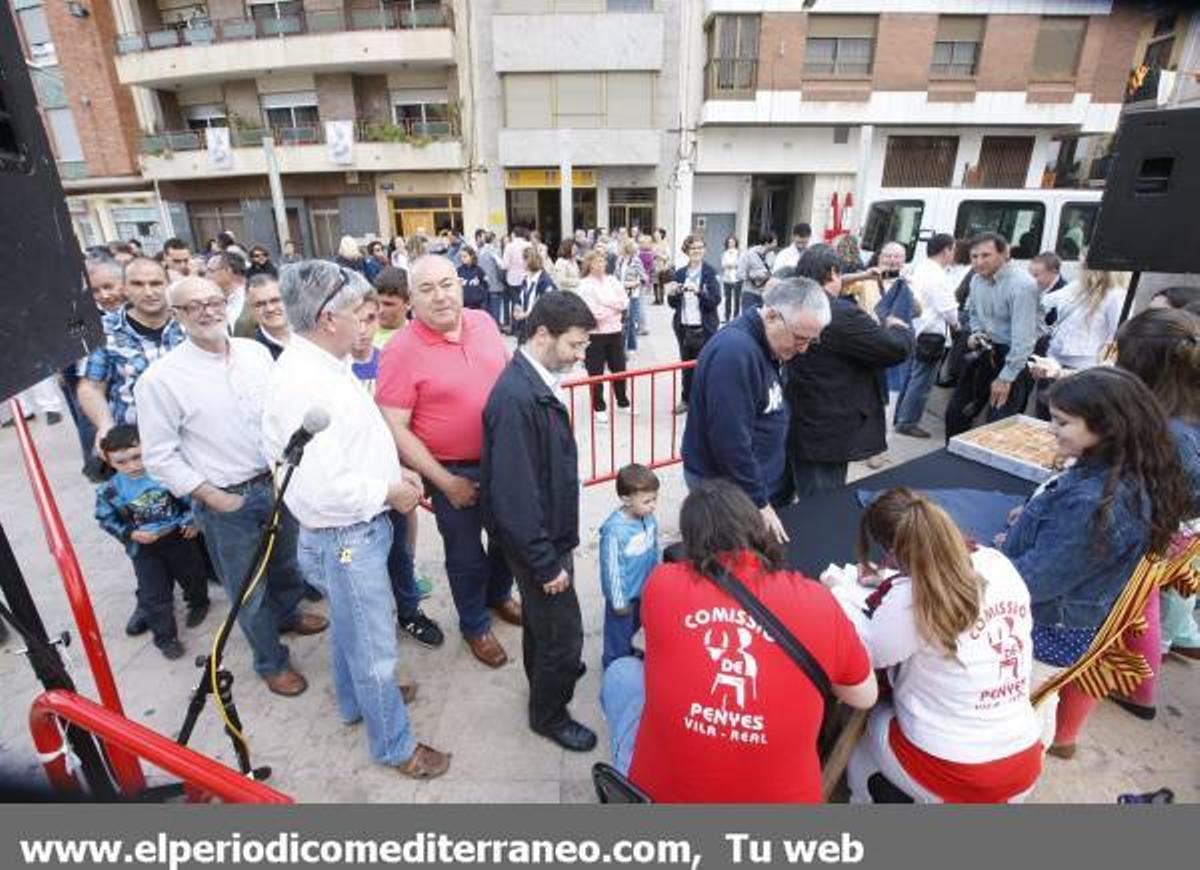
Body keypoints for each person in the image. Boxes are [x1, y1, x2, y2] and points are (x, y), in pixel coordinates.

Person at [263, 261, 450, 778]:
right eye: (360, 315)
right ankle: (394, 743)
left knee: (352, 625)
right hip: (346, 535)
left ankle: (361, 703)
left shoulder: (326, 365)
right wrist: (389, 491)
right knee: (373, 646)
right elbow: (325, 487)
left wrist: (396, 477)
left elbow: (350, 449)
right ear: (328, 318)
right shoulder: (304, 383)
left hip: (357, 524)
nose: (369, 325)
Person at [599, 479, 877, 801]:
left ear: (691, 541)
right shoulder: (816, 601)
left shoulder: (662, 584)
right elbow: (864, 696)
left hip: (664, 802)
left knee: (621, 671)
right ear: (757, 529)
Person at [135, 276, 324, 698]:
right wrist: (212, 496)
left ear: (227, 305)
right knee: (248, 588)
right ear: (177, 315)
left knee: (285, 565)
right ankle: (271, 662)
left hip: (276, 482)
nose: (207, 311)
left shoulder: (256, 353)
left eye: (213, 301)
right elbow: (160, 456)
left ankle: (288, 614)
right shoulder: (160, 380)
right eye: (193, 306)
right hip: (225, 500)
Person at [999, 367, 1192, 758]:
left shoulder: (1096, 504)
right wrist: (1034, 522)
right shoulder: (1120, 474)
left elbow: (1035, 579)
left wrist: (980, 572)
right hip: (1071, 622)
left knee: (1020, 706)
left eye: (1062, 422)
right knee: (1044, 696)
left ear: (1106, 426)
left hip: (1048, 626)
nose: (1052, 430)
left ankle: (1015, 764)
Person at [837, 488, 1042, 803]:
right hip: (1025, 758)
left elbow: (872, 656)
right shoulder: (998, 563)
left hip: (953, 772)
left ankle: (861, 798)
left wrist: (840, 595)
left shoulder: (911, 598)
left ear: (890, 550)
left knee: (867, 720)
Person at [377, 255, 519, 668]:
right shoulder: (401, 349)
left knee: (508, 541)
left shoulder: (485, 322)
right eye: (427, 289)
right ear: (411, 300)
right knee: (465, 555)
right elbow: (395, 426)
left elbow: (510, 380)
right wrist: (444, 480)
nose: (440, 296)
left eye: (447, 284)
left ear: (461, 285)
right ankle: (475, 624)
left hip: (502, 462)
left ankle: (498, 596)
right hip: (451, 469)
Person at [480, 291, 598, 750]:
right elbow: (514, 495)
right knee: (562, 634)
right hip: (538, 542)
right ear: (543, 334)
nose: (580, 355)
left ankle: (547, 677)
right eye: (574, 345)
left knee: (545, 624)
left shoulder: (538, 379)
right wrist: (545, 563)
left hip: (547, 534)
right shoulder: (516, 397)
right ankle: (549, 714)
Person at [681, 277, 831, 545]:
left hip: (750, 485)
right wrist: (759, 502)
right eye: (799, 339)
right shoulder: (735, 352)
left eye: (811, 341)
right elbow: (730, 442)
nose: (804, 349)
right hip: (729, 493)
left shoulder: (768, 344)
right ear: (772, 316)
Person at [1109, 309, 1200, 713]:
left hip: (1156, 533)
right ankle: (1138, 687)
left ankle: (1136, 689)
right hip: (1175, 531)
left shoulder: (1170, 431)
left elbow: (1150, 496)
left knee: (1135, 608)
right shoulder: (1183, 412)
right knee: (1142, 607)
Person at [780, 245, 911, 501]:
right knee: (822, 505)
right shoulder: (840, 314)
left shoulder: (789, 302)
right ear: (832, 272)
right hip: (825, 435)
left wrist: (860, 276)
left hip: (794, 422)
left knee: (783, 500)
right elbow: (894, 350)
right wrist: (899, 327)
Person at [95, 425, 210, 660]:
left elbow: (190, 496)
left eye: (137, 457)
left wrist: (191, 519)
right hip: (145, 549)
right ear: (109, 461)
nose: (133, 466)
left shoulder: (164, 474)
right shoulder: (109, 491)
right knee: (155, 594)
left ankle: (198, 602)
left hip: (179, 537)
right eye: (122, 462)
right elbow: (105, 518)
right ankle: (165, 638)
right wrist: (129, 533)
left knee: (193, 574)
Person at [78, 257, 184, 458]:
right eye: (138, 284)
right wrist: (105, 425)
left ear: (168, 285)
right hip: (137, 444)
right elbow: (91, 386)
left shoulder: (187, 323)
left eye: (155, 283)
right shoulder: (104, 330)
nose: (149, 292)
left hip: (191, 436)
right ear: (125, 288)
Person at [944, 233, 1040, 440]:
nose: (979, 261)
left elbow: (1024, 339)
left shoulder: (1022, 285)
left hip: (1013, 356)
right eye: (974, 256)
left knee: (998, 425)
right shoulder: (977, 279)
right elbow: (973, 312)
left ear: (1004, 254)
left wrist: (1006, 377)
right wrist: (977, 332)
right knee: (956, 413)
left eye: (985, 255)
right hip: (985, 349)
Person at [894, 234, 959, 438]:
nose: (954, 254)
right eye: (953, 249)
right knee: (921, 381)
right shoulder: (938, 275)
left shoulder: (921, 267)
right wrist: (956, 324)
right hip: (930, 334)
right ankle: (908, 421)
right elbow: (948, 308)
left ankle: (899, 417)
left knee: (910, 377)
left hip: (915, 329)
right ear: (946, 250)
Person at [598, 464, 660, 669]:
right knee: (618, 631)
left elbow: (653, 549)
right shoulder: (615, 532)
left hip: (643, 589)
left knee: (634, 625)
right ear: (626, 499)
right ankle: (614, 664)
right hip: (623, 596)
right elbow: (612, 569)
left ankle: (624, 651)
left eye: (654, 499)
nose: (653, 506)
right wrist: (618, 600)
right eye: (647, 501)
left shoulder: (648, 518)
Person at [1029, 262, 1124, 379]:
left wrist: (1105, 366)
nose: (1078, 268)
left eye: (1082, 265)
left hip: (1084, 369)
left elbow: (1118, 335)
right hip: (1053, 360)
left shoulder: (1115, 295)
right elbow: (1045, 302)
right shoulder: (1077, 286)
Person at [667, 235, 722, 415]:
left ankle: (705, 401)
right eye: (693, 248)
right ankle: (686, 399)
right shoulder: (680, 273)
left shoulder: (710, 272)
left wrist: (698, 292)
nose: (697, 251)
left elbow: (715, 300)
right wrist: (673, 293)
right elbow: (672, 304)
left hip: (704, 327)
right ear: (686, 251)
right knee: (686, 366)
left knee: (706, 365)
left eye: (700, 247)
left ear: (704, 250)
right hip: (683, 326)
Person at [576, 249, 630, 424]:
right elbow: (593, 313)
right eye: (596, 261)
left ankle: (622, 402)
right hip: (595, 335)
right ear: (589, 264)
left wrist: (607, 304)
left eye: (602, 261)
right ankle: (599, 408)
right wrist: (614, 307)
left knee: (619, 369)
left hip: (615, 332)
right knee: (596, 373)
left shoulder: (612, 280)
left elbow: (624, 302)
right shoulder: (584, 285)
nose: (600, 264)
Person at [206, 250, 254, 337]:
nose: (206, 276)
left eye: (210, 271)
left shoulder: (253, 297)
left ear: (228, 270)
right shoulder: (216, 302)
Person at [513, 248, 556, 343]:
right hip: (525, 327)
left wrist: (525, 314)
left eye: (523, 260)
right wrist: (517, 308)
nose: (521, 263)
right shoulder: (526, 279)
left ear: (529, 260)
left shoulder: (545, 281)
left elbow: (545, 305)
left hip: (539, 328)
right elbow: (520, 298)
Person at [616, 238, 648, 355]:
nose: (619, 249)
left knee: (630, 320)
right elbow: (616, 275)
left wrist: (635, 283)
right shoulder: (619, 260)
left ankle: (631, 346)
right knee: (621, 321)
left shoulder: (636, 261)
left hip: (632, 294)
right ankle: (622, 346)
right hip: (620, 293)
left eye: (621, 247)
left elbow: (644, 278)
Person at [246, 274, 290, 360]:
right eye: (260, 304)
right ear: (251, 310)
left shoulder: (310, 335)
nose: (270, 309)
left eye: (275, 300)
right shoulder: (251, 353)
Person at [503, 226, 533, 332]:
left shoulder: (509, 246)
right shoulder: (529, 245)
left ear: (513, 234)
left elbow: (505, 265)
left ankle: (515, 327)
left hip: (513, 278)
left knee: (515, 302)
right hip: (526, 276)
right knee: (526, 301)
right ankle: (525, 325)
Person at [737, 233, 776, 312]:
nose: (776, 244)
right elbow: (739, 274)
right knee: (748, 319)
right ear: (766, 243)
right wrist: (756, 275)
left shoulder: (772, 255)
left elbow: (772, 271)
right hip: (750, 293)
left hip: (765, 294)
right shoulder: (749, 254)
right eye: (774, 242)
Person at [372, 266, 410, 349]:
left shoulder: (414, 341)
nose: (380, 310)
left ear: (408, 303)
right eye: (376, 303)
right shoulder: (358, 332)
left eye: (388, 304)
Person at [477, 231, 507, 327]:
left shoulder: (479, 251)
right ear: (493, 239)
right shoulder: (494, 251)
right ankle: (496, 327)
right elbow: (501, 267)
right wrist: (503, 279)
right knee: (495, 309)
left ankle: (487, 326)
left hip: (483, 284)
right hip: (495, 284)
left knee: (486, 308)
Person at [455, 245, 488, 311]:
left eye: (465, 256)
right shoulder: (459, 271)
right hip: (463, 306)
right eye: (461, 256)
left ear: (471, 256)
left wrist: (483, 302)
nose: (462, 258)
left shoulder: (479, 270)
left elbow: (485, 286)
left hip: (477, 306)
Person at [721, 234, 741, 322]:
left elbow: (739, 264)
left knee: (736, 299)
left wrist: (730, 265)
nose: (731, 244)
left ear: (736, 243)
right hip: (726, 279)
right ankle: (727, 317)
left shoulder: (739, 253)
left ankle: (736, 317)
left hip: (736, 279)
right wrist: (731, 265)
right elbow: (723, 264)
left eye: (732, 242)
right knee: (727, 299)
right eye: (729, 242)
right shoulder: (724, 253)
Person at [651, 228, 672, 305]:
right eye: (655, 233)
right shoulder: (654, 244)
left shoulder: (665, 244)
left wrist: (659, 255)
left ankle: (661, 300)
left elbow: (668, 256)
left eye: (657, 233)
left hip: (661, 266)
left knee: (660, 284)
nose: (655, 235)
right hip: (654, 266)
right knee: (655, 283)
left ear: (661, 235)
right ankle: (656, 299)